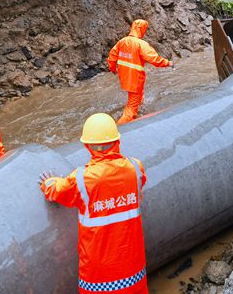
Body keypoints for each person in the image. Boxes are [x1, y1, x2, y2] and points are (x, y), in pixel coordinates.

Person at [39, 113, 148, 294]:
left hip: (99, 277)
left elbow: (57, 191)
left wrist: (48, 183)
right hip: (133, 270)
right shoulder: (136, 167)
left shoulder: (82, 179)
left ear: (87, 146)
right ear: (117, 141)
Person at [108, 19, 174, 124]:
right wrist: (168, 63)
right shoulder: (141, 44)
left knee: (137, 97)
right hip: (135, 78)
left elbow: (112, 56)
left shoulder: (122, 41)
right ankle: (120, 127)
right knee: (131, 109)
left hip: (125, 77)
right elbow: (154, 59)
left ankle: (138, 109)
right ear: (142, 29)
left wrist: (112, 69)